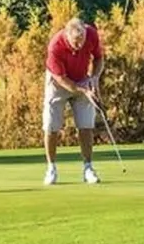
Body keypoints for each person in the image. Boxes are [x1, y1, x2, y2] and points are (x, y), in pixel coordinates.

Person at [42, 16, 106, 185]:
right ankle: (51, 168)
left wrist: (94, 78)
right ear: (67, 36)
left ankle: (88, 168)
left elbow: (99, 58)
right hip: (58, 83)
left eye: (82, 41)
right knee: (51, 126)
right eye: (76, 42)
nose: (80, 46)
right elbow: (62, 80)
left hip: (82, 79)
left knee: (86, 126)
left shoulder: (91, 34)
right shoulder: (55, 46)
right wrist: (83, 90)